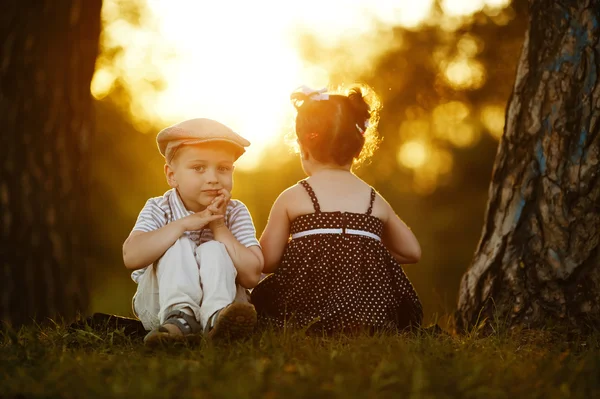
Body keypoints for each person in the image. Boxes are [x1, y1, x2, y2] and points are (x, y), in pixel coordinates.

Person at [251, 85, 423, 333]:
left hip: (304, 314)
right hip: (370, 317)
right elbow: (412, 252)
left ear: (304, 147)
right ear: (359, 147)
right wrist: (362, 250)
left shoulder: (294, 197)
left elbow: (266, 262)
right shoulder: (374, 200)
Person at [123, 118, 264, 345]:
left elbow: (251, 275)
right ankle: (179, 319)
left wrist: (219, 226)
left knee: (214, 249)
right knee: (177, 244)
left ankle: (218, 320)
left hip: (226, 304)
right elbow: (131, 256)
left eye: (223, 168)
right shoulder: (159, 207)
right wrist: (184, 224)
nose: (213, 178)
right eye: (199, 168)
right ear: (171, 175)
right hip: (160, 307)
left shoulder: (235, 212)